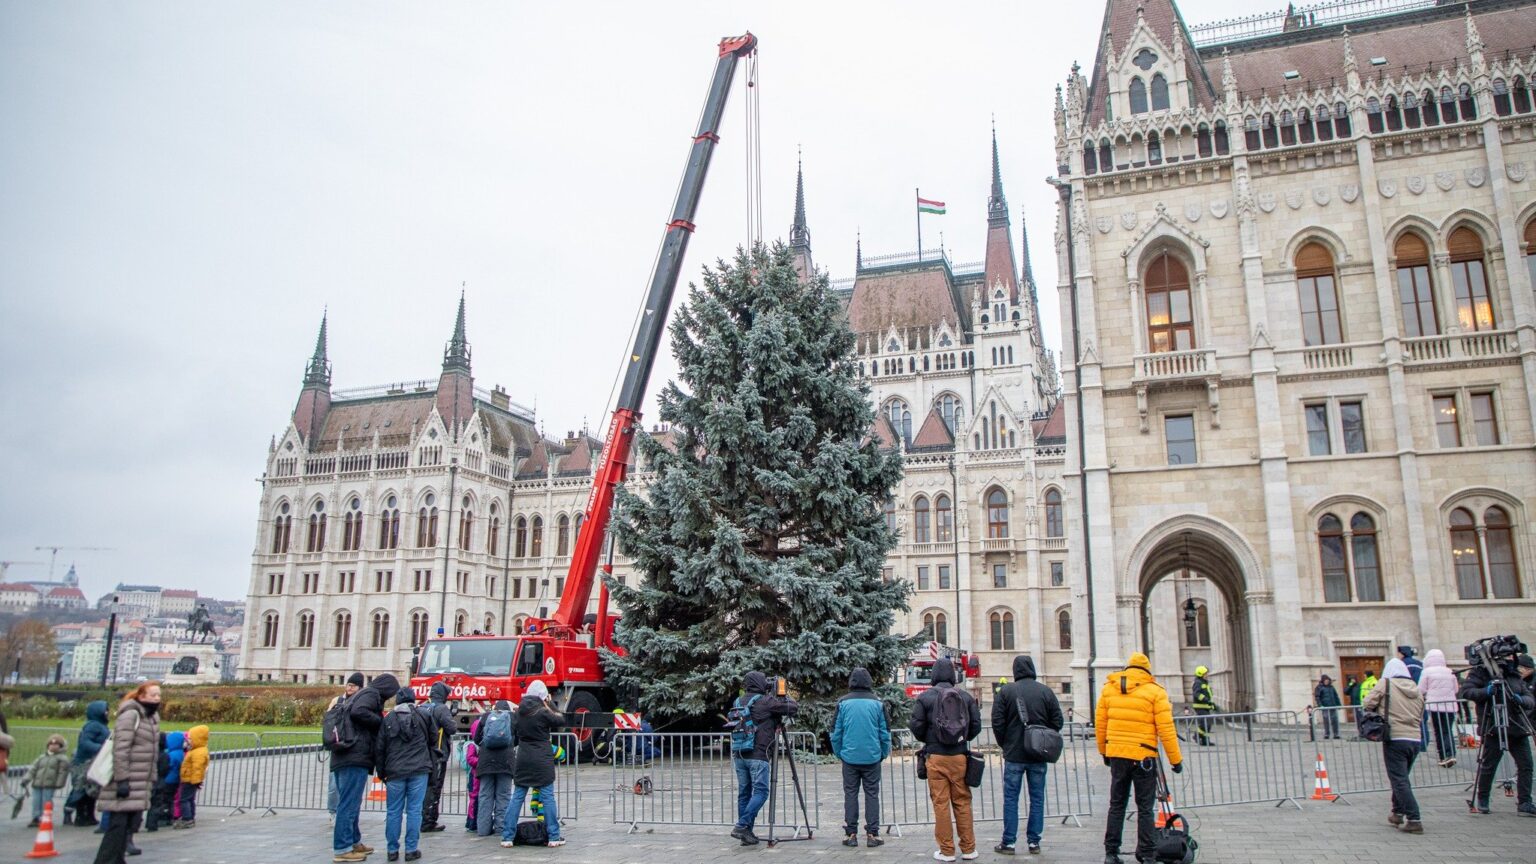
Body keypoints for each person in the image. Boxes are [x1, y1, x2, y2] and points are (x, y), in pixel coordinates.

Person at [1095, 652, 1182, 864]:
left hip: (1117, 755)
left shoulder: (1109, 689)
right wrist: (1175, 760)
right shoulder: (1155, 691)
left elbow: (1101, 724)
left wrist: (1104, 751)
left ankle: (1111, 852)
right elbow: (1166, 729)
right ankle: (1147, 854)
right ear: (1147, 670)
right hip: (1144, 756)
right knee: (1145, 808)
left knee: (1117, 804)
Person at [909, 656, 981, 863]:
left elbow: (916, 725)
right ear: (953, 675)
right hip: (959, 756)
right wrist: (962, 738)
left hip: (936, 756)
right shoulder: (965, 697)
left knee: (941, 804)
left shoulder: (925, 697)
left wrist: (929, 740)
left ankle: (947, 851)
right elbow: (975, 725)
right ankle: (969, 848)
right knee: (962, 801)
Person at [991, 654, 1063, 856]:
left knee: (1011, 799)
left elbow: (997, 722)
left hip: (1014, 753)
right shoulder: (1045, 691)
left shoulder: (1006, 692)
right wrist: (1043, 736)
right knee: (1037, 798)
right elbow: (1057, 721)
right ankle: (1034, 841)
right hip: (1038, 754)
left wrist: (1005, 743)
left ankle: (1009, 842)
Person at [332, 672, 400, 863]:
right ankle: (342, 848)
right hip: (354, 756)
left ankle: (354, 841)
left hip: (347, 755)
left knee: (351, 802)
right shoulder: (371, 694)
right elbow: (358, 712)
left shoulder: (363, 694)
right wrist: (381, 722)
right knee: (348, 804)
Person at [92, 682, 162, 864]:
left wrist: (152, 777)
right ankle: (106, 860)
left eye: (158, 695)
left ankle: (117, 858)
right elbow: (121, 749)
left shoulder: (152, 717)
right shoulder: (131, 715)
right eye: (153, 694)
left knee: (130, 824)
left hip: (141, 779)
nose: (157, 698)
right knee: (118, 825)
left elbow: (152, 752)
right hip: (126, 779)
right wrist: (122, 779)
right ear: (141, 696)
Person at [1460, 649, 1535, 817]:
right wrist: (1485, 692)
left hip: (1517, 728)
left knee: (1526, 766)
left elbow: (1530, 699)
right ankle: (1483, 799)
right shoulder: (1481, 673)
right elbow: (1466, 692)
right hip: (1493, 727)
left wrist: (1521, 700)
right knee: (1489, 766)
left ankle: (1525, 802)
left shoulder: (1513, 674)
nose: (1508, 658)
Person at [729, 671, 799, 847]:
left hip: (739, 754)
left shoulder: (738, 701)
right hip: (758, 755)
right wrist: (783, 692)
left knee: (744, 793)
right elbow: (792, 708)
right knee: (761, 792)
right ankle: (741, 826)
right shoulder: (765, 701)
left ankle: (746, 833)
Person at [500, 680, 568, 848]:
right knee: (547, 797)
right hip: (542, 758)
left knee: (517, 797)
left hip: (523, 757)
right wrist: (549, 703)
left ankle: (507, 836)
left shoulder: (518, 712)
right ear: (542, 696)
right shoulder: (543, 712)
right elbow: (561, 719)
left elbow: (514, 734)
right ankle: (554, 836)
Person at [831, 667, 890, 848]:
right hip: (872, 757)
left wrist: (839, 753)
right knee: (872, 794)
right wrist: (883, 753)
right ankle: (872, 834)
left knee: (850, 794)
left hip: (849, 757)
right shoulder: (878, 704)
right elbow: (884, 733)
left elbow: (836, 732)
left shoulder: (843, 703)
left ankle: (851, 834)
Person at [1365, 658, 1426, 833]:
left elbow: (1367, 702)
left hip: (1395, 737)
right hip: (1415, 738)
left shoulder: (1386, 684)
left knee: (1399, 780)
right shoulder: (1416, 688)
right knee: (1402, 778)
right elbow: (1421, 713)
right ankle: (1397, 813)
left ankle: (1414, 819)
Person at [377, 687, 433, 862]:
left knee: (393, 811)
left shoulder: (389, 718)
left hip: (395, 770)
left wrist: (381, 772)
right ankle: (411, 848)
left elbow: (380, 747)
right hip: (419, 768)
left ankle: (392, 850)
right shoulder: (423, 715)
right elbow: (432, 740)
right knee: (414, 810)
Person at [473, 700, 516, 837]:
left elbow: (476, 738)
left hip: (486, 762)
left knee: (485, 796)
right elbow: (518, 739)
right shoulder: (512, 718)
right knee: (503, 796)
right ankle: (501, 828)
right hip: (506, 762)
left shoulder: (486, 717)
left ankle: (483, 829)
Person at [328, 674, 365, 824]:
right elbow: (328, 721)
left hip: (352, 748)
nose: (350, 688)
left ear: (359, 688)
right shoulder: (337, 701)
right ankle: (333, 811)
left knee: (349, 788)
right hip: (338, 747)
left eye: (353, 686)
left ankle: (347, 815)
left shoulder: (361, 702)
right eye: (348, 685)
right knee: (334, 784)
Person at [68, 699, 111, 827]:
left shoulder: (100, 725)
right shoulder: (93, 726)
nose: (107, 713)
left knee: (92, 790)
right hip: (85, 762)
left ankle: (90, 815)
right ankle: (80, 816)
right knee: (83, 790)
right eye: (105, 710)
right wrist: (102, 748)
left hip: (94, 761)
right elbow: (85, 742)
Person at [420, 681, 455, 833]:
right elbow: (451, 728)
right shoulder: (441, 708)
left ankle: (420, 817)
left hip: (423, 753)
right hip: (438, 752)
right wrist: (451, 716)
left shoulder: (422, 707)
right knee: (434, 787)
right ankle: (429, 820)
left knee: (423, 786)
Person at [1419, 649, 1460, 767]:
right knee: (1447, 729)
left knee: (1438, 730)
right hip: (1450, 705)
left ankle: (1444, 756)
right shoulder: (1449, 671)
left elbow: (1421, 689)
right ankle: (1451, 753)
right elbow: (1456, 689)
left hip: (1434, 705)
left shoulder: (1426, 672)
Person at [24, 734, 71, 828]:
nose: (53, 746)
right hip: (37, 783)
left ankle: (45, 817)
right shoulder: (42, 757)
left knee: (46, 801)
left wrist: (59, 783)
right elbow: (33, 769)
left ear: (61, 746)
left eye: (56, 744)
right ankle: (36, 817)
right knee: (36, 801)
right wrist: (26, 778)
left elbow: (62, 772)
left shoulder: (62, 758)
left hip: (50, 784)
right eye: (51, 744)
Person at [146, 731, 182, 831]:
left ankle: (156, 820)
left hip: (162, 780)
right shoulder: (169, 755)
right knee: (165, 801)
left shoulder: (163, 755)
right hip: (167, 780)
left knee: (158, 801)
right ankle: (165, 818)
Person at [174, 724, 208, 828]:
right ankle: (190, 817)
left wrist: (196, 781)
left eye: (190, 738)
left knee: (184, 799)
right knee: (189, 799)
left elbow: (198, 768)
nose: (188, 741)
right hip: (190, 778)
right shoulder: (196, 750)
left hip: (190, 780)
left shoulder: (198, 752)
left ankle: (187, 818)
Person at [1190, 666, 1216, 746]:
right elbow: (1196, 694)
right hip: (1200, 706)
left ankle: (1204, 739)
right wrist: (1206, 700)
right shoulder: (1198, 683)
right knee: (1206, 723)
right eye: (1205, 674)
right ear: (1201, 674)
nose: (1207, 675)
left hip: (1205, 706)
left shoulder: (1204, 682)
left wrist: (1211, 704)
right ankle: (1198, 736)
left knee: (1206, 724)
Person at [463, 718, 480, 832]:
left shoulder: (477, 744)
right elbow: (470, 759)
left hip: (478, 775)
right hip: (474, 776)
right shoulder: (473, 745)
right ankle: (472, 821)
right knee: (474, 798)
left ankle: (475, 820)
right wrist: (481, 761)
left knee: (477, 798)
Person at [1313, 675, 1342, 740]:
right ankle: (1327, 734)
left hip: (1333, 705)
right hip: (1325, 706)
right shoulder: (1319, 687)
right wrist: (1320, 705)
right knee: (1326, 720)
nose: (1327, 682)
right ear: (1323, 681)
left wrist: (1338, 704)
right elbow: (1317, 697)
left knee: (1334, 720)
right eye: (1325, 681)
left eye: (1328, 681)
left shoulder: (1331, 687)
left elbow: (1336, 696)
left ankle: (1336, 734)